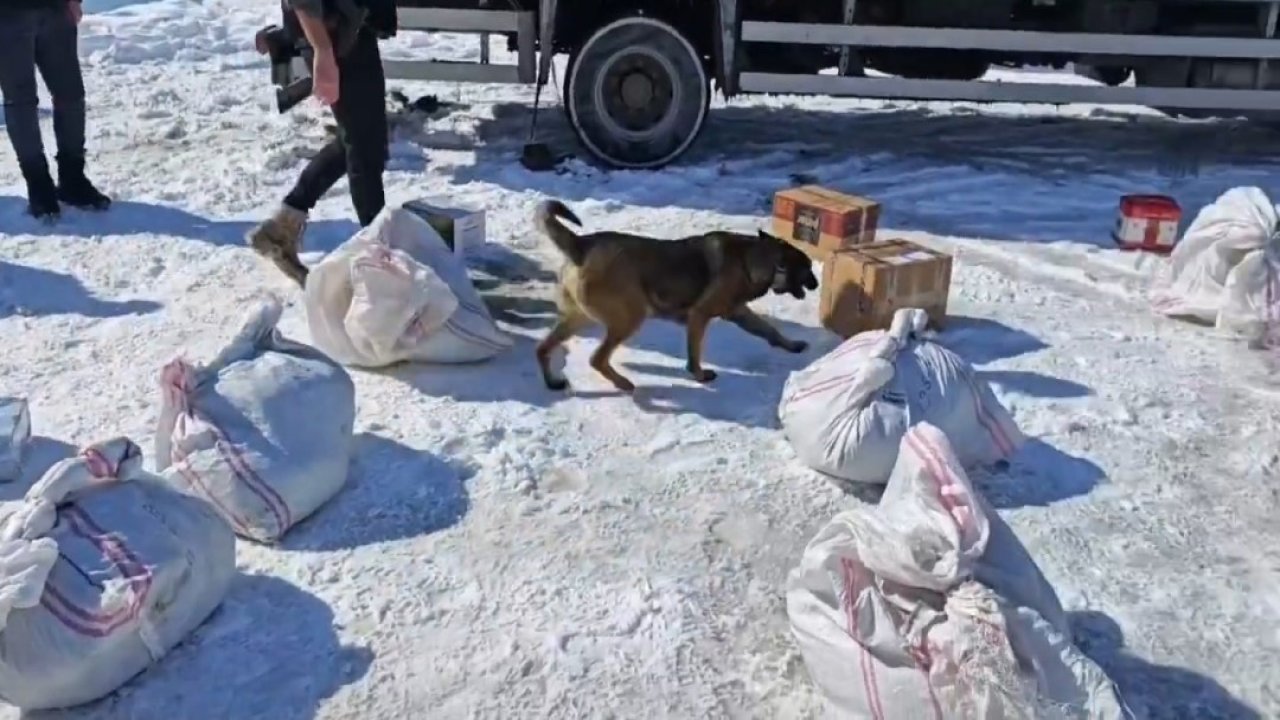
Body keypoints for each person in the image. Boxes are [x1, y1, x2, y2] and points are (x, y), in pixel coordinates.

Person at [247, 0, 394, 287]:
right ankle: (381, 263)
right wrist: (322, 51)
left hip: (350, 29)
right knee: (364, 149)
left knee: (361, 138)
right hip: (334, 38)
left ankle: (284, 224)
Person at [0, 0, 111, 222]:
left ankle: (73, 179)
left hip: (55, 10)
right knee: (21, 101)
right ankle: (39, 184)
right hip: (6, 15)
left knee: (71, 94)